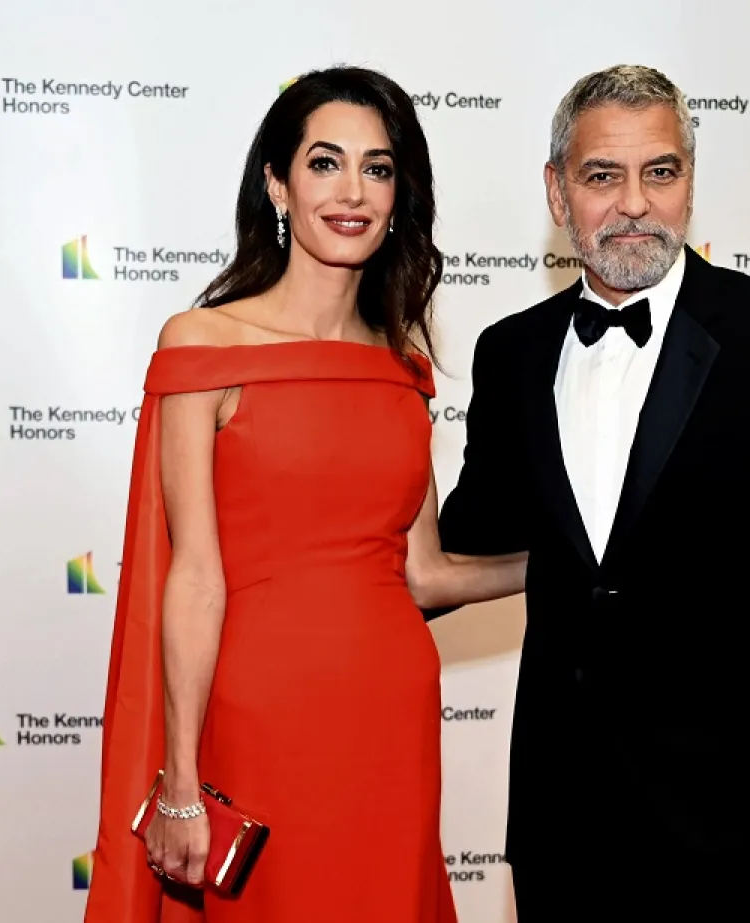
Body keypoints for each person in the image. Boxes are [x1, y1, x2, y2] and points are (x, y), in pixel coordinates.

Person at [432, 65, 750, 920]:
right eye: (602, 175)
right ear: (556, 189)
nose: (636, 204)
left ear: (690, 179)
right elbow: (475, 526)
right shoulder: (513, 353)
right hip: (561, 819)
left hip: (735, 817)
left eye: (661, 171)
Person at [83, 66, 527, 923]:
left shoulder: (403, 366)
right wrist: (180, 781)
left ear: (401, 197)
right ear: (277, 184)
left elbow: (425, 573)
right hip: (260, 714)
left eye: (379, 167)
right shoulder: (204, 344)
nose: (352, 191)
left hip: (392, 711)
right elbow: (194, 577)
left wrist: (570, 561)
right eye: (325, 163)